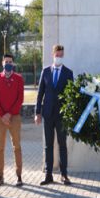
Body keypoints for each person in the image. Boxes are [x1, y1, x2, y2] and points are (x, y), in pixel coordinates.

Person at [35, 44, 74, 185]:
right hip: (48, 114)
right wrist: (37, 112)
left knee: (62, 144)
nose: (59, 57)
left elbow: (71, 96)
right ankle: (48, 174)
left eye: (61, 55)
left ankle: (64, 174)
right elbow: (40, 94)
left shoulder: (68, 73)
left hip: (62, 115)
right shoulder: (45, 72)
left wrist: (70, 113)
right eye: (57, 55)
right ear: (53, 55)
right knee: (48, 145)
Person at [0, 53, 24, 187]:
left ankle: (19, 176)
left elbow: (20, 98)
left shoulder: (19, 79)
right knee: (0, 148)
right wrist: (2, 114)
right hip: (0, 117)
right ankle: (0, 176)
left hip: (14, 117)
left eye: (10, 61)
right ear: (2, 63)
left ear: (13, 63)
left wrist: (9, 114)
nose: (8, 63)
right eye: (6, 61)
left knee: (16, 146)